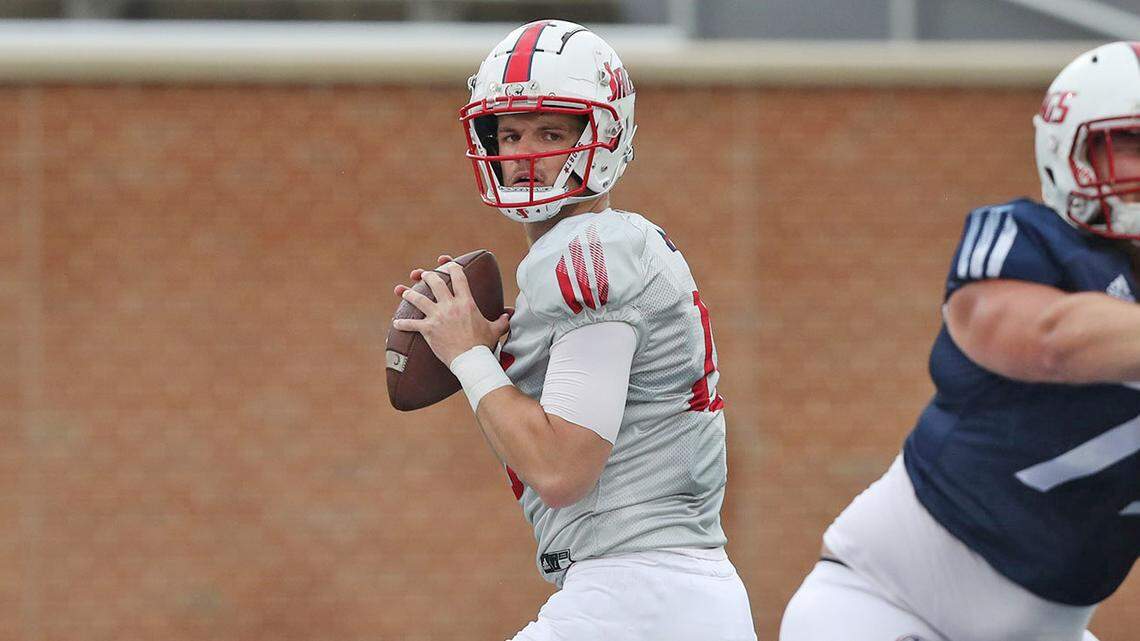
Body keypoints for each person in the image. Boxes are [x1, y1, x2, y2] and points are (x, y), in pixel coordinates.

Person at [392, 20, 757, 641]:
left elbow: (562, 469)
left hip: (637, 597)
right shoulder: (585, 252)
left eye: (551, 131)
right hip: (663, 595)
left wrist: (468, 358)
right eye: (509, 133)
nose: (524, 151)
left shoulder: (591, 247)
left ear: (605, 135)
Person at [779, 41, 1140, 641]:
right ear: (1070, 148)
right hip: (887, 606)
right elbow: (1047, 339)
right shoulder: (1027, 237)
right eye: (1133, 142)